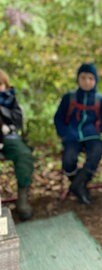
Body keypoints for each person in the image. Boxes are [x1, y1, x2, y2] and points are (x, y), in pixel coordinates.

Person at [54, 63, 102, 205]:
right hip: (72, 135)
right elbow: (58, 118)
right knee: (68, 159)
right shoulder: (69, 98)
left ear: (95, 81)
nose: (87, 82)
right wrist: (64, 133)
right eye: (83, 78)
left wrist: (98, 129)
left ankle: (77, 185)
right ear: (78, 79)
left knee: (95, 154)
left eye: (91, 78)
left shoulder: (100, 100)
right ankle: (79, 186)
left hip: (92, 135)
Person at [0, 69, 34, 220]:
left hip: (10, 138)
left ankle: (23, 199)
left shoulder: (11, 100)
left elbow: (18, 121)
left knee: (24, 155)